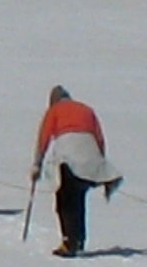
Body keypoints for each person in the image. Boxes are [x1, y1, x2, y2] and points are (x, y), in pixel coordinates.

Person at [31, 86, 123, 257]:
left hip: (69, 155)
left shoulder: (54, 110)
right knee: (78, 199)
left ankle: (70, 243)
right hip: (89, 154)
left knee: (64, 201)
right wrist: (99, 164)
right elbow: (99, 138)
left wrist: (37, 164)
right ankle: (78, 240)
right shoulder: (87, 109)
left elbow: (44, 137)